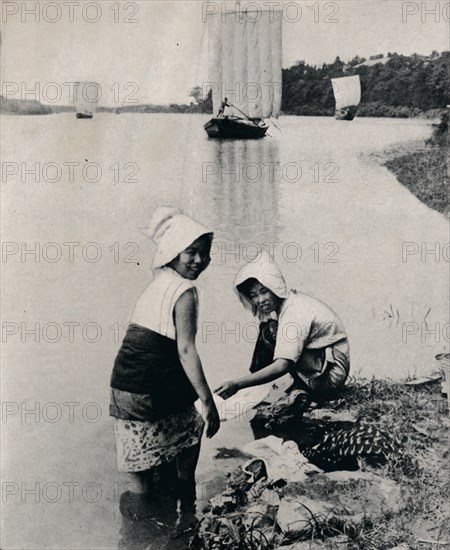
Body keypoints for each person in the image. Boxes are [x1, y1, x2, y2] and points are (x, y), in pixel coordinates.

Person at [110, 206, 220, 532]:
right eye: (191, 252)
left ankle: (138, 522)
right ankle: (185, 500)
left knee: (141, 479)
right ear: (172, 252)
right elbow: (186, 349)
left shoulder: (158, 281)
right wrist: (208, 401)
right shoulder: (185, 291)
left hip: (123, 388)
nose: (199, 260)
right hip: (148, 388)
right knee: (193, 425)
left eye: (205, 253)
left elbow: (154, 347)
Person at [215, 252, 350, 410]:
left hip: (330, 376)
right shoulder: (287, 305)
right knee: (268, 328)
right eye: (253, 295)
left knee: (270, 333)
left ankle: (303, 390)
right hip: (321, 362)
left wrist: (236, 384)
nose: (260, 300)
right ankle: (263, 386)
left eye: (264, 291)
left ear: (275, 287)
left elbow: (283, 365)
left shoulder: (294, 313)